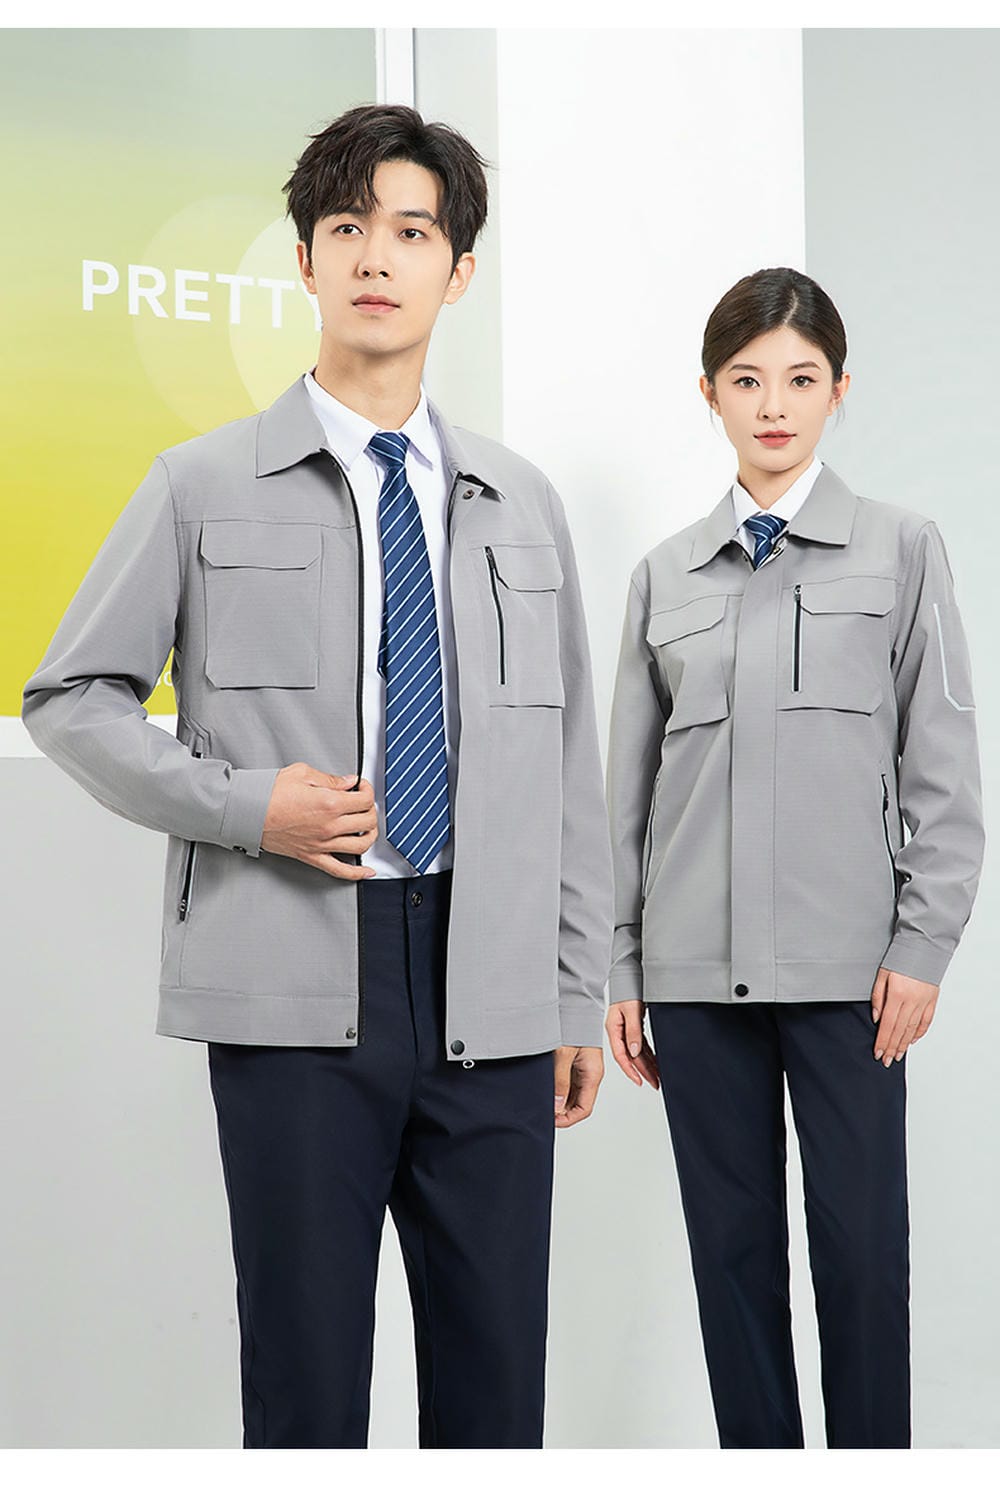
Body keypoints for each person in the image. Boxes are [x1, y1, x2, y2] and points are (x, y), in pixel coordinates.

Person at [22, 104, 613, 1449]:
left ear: (459, 269)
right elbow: (71, 696)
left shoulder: (520, 502)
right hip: (293, 987)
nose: (376, 256)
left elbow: (563, 757)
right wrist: (247, 805)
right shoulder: (200, 483)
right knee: (304, 1393)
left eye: (411, 231)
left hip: (491, 988)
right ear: (304, 261)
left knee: (496, 1396)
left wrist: (574, 987)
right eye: (347, 227)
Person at [604, 267, 984, 1450]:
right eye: (747, 379)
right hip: (692, 979)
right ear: (709, 394)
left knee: (861, 1254)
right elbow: (624, 800)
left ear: (838, 391)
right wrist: (618, 965)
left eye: (800, 379)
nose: (773, 404)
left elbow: (945, 773)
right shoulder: (665, 574)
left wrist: (922, 943)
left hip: (849, 978)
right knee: (729, 1260)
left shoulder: (901, 549)